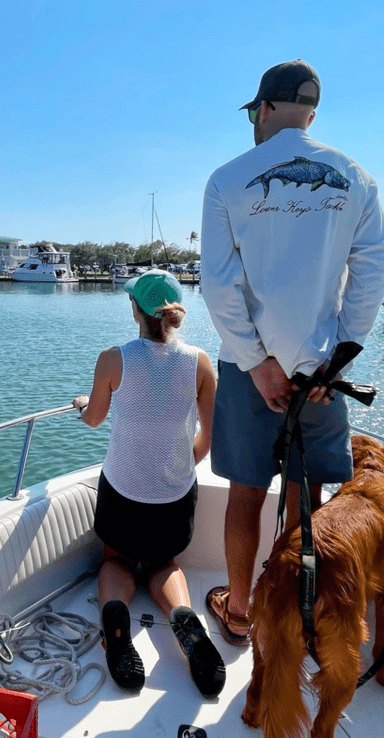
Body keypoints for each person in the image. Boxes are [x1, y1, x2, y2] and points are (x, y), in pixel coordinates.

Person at [200, 59, 384, 646]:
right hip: (323, 373)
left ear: (270, 106)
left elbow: (217, 284)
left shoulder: (227, 179)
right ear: (313, 111)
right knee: (310, 499)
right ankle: (302, 617)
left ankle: (241, 612)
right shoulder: (356, 178)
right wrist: (336, 364)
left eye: (254, 110)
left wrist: (255, 362)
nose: (252, 120)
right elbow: (370, 278)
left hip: (243, 366)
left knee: (245, 495)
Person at [72, 269, 225, 698]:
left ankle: (116, 621)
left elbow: (94, 418)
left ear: (135, 310)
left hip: (122, 492)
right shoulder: (199, 362)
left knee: (116, 563)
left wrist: (82, 404)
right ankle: (183, 617)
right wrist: (175, 467)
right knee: (163, 565)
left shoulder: (113, 358)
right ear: (175, 313)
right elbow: (207, 441)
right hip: (174, 497)